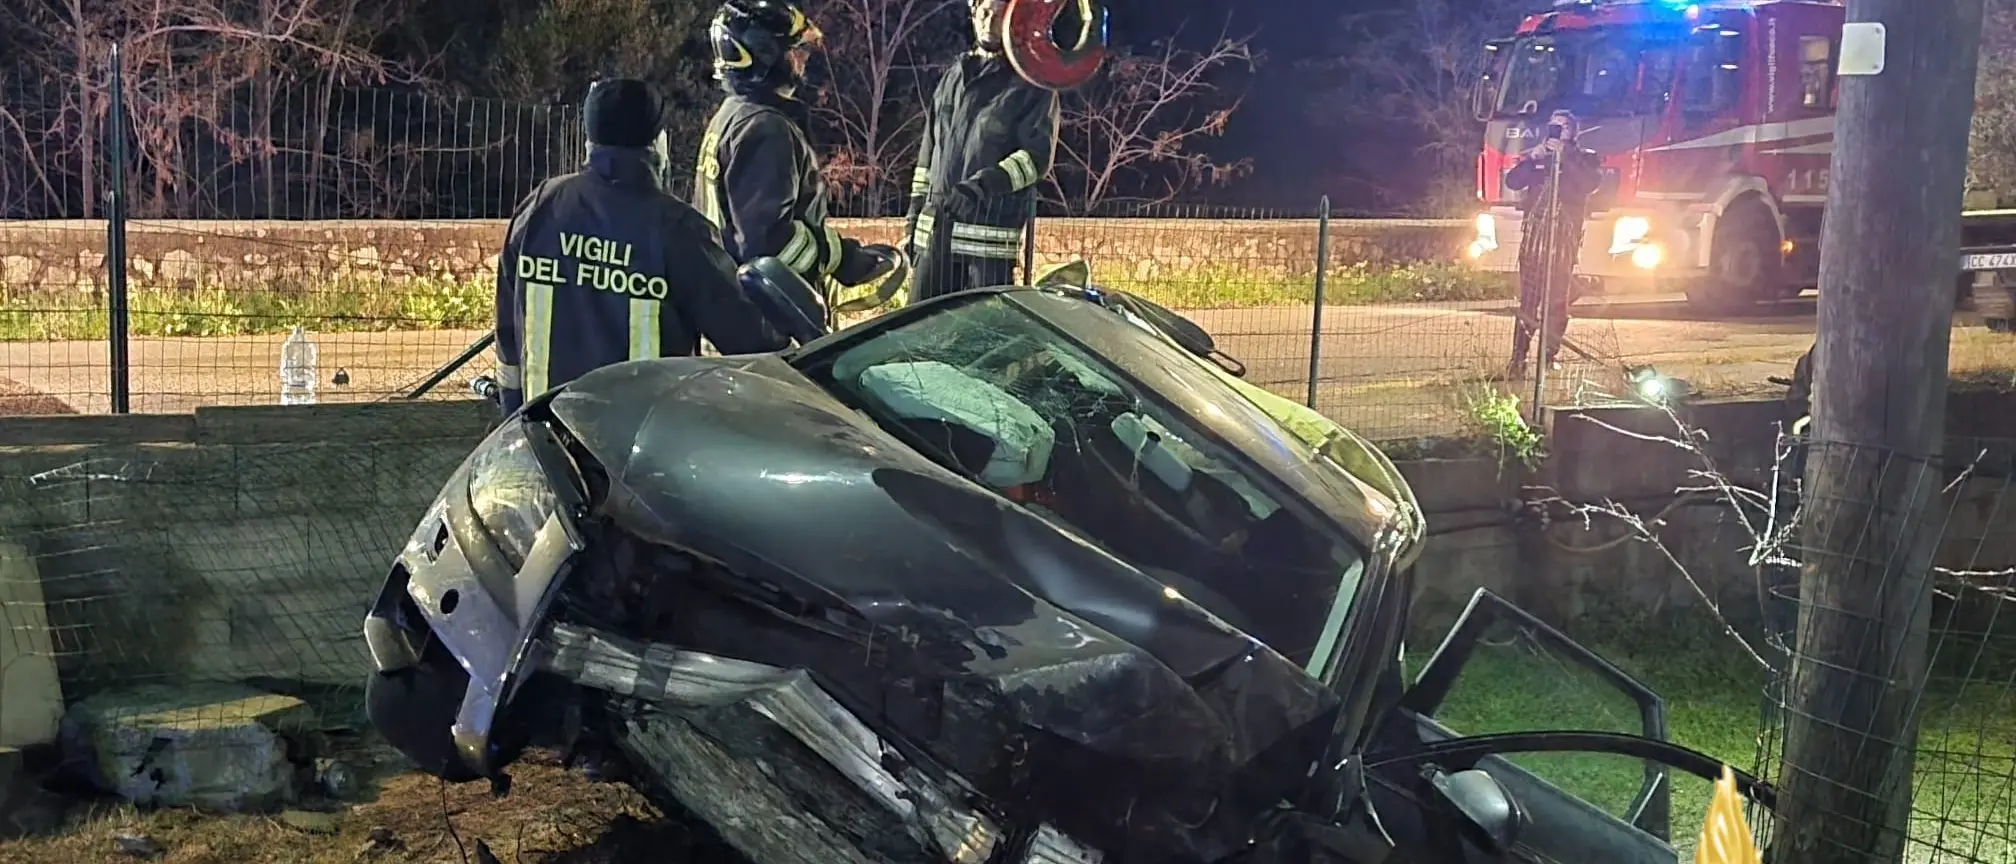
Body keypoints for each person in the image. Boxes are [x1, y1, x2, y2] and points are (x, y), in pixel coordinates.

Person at [494, 78, 787, 414]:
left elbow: (507, 337)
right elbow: (747, 340)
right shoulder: (678, 228)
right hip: (638, 453)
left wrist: (512, 418)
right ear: (657, 142)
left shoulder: (540, 208)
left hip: (549, 443)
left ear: (590, 140)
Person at [695, 0, 898, 312]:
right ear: (765, 56)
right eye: (795, 50)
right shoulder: (766, 129)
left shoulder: (731, 117)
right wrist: (842, 259)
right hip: (770, 321)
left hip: (730, 310)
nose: (803, 59)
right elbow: (768, 244)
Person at [904, 0, 1062, 303]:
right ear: (973, 14)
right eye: (984, 12)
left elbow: (1035, 159)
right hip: (936, 234)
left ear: (1012, 20)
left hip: (987, 246)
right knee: (917, 336)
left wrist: (981, 187)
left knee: (982, 341)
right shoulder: (952, 77)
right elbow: (928, 154)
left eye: (999, 13)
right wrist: (913, 219)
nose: (989, 20)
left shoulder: (1032, 83)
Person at [1502, 109, 1603, 376]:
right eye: (1553, 126)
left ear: (1573, 132)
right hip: (1535, 238)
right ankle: (1518, 359)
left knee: (1556, 301)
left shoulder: (1585, 159)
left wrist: (1565, 157)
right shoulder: (1539, 158)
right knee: (1529, 300)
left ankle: (1548, 356)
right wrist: (1532, 159)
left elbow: (1588, 184)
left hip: (1563, 238)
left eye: (1563, 127)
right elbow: (1512, 181)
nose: (1557, 132)